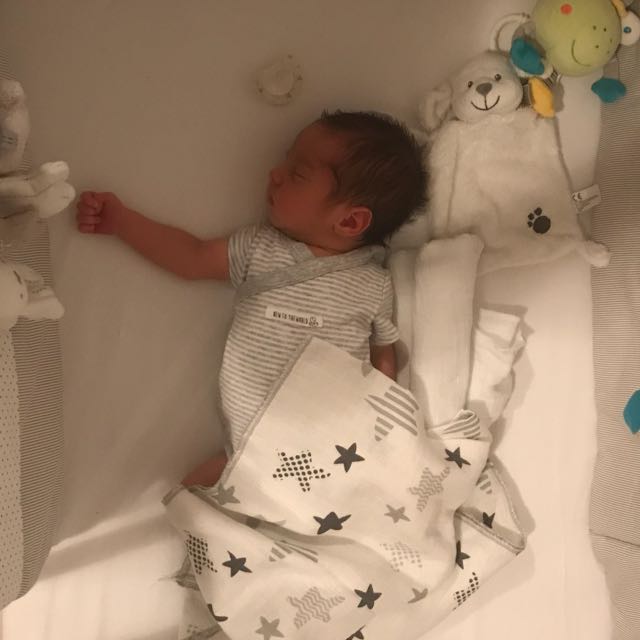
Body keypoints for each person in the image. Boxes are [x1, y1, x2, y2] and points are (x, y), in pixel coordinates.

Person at [76, 109, 427, 487]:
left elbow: (382, 356)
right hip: (253, 446)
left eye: (298, 174)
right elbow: (191, 257)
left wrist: (380, 421)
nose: (275, 174)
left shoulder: (372, 283)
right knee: (195, 492)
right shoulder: (260, 248)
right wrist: (123, 222)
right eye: (286, 162)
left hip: (332, 440)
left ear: (350, 221)